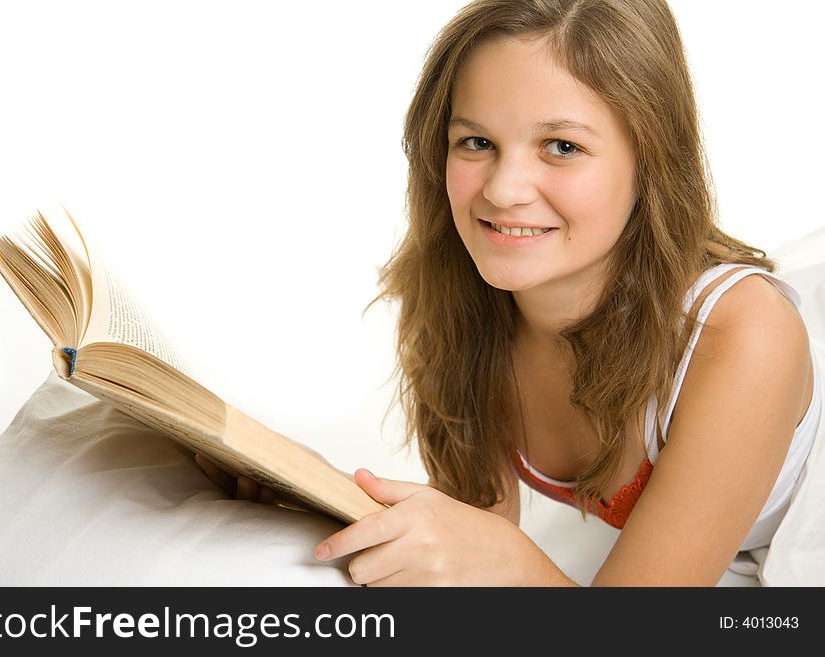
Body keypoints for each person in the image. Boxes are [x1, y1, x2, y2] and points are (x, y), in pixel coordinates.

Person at [201, 0, 823, 586]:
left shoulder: (741, 337)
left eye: (562, 147)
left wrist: (515, 563)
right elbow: (473, 542)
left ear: (652, 161)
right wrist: (321, 495)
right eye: (476, 142)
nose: (503, 190)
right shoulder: (470, 302)